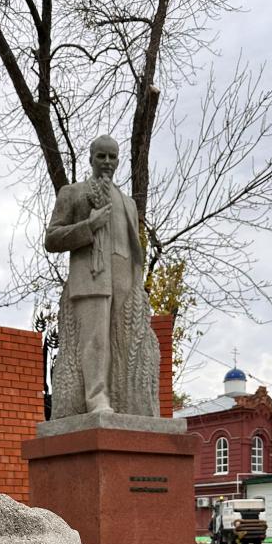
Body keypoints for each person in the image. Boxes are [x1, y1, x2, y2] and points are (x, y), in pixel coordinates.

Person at [44, 134, 159, 417]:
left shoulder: (128, 203)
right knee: (95, 340)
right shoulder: (72, 193)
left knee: (122, 343)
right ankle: (96, 399)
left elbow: (134, 247)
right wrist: (88, 226)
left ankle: (124, 400)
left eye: (112, 157)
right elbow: (52, 238)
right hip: (91, 277)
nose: (107, 162)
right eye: (101, 156)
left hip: (124, 279)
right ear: (91, 158)